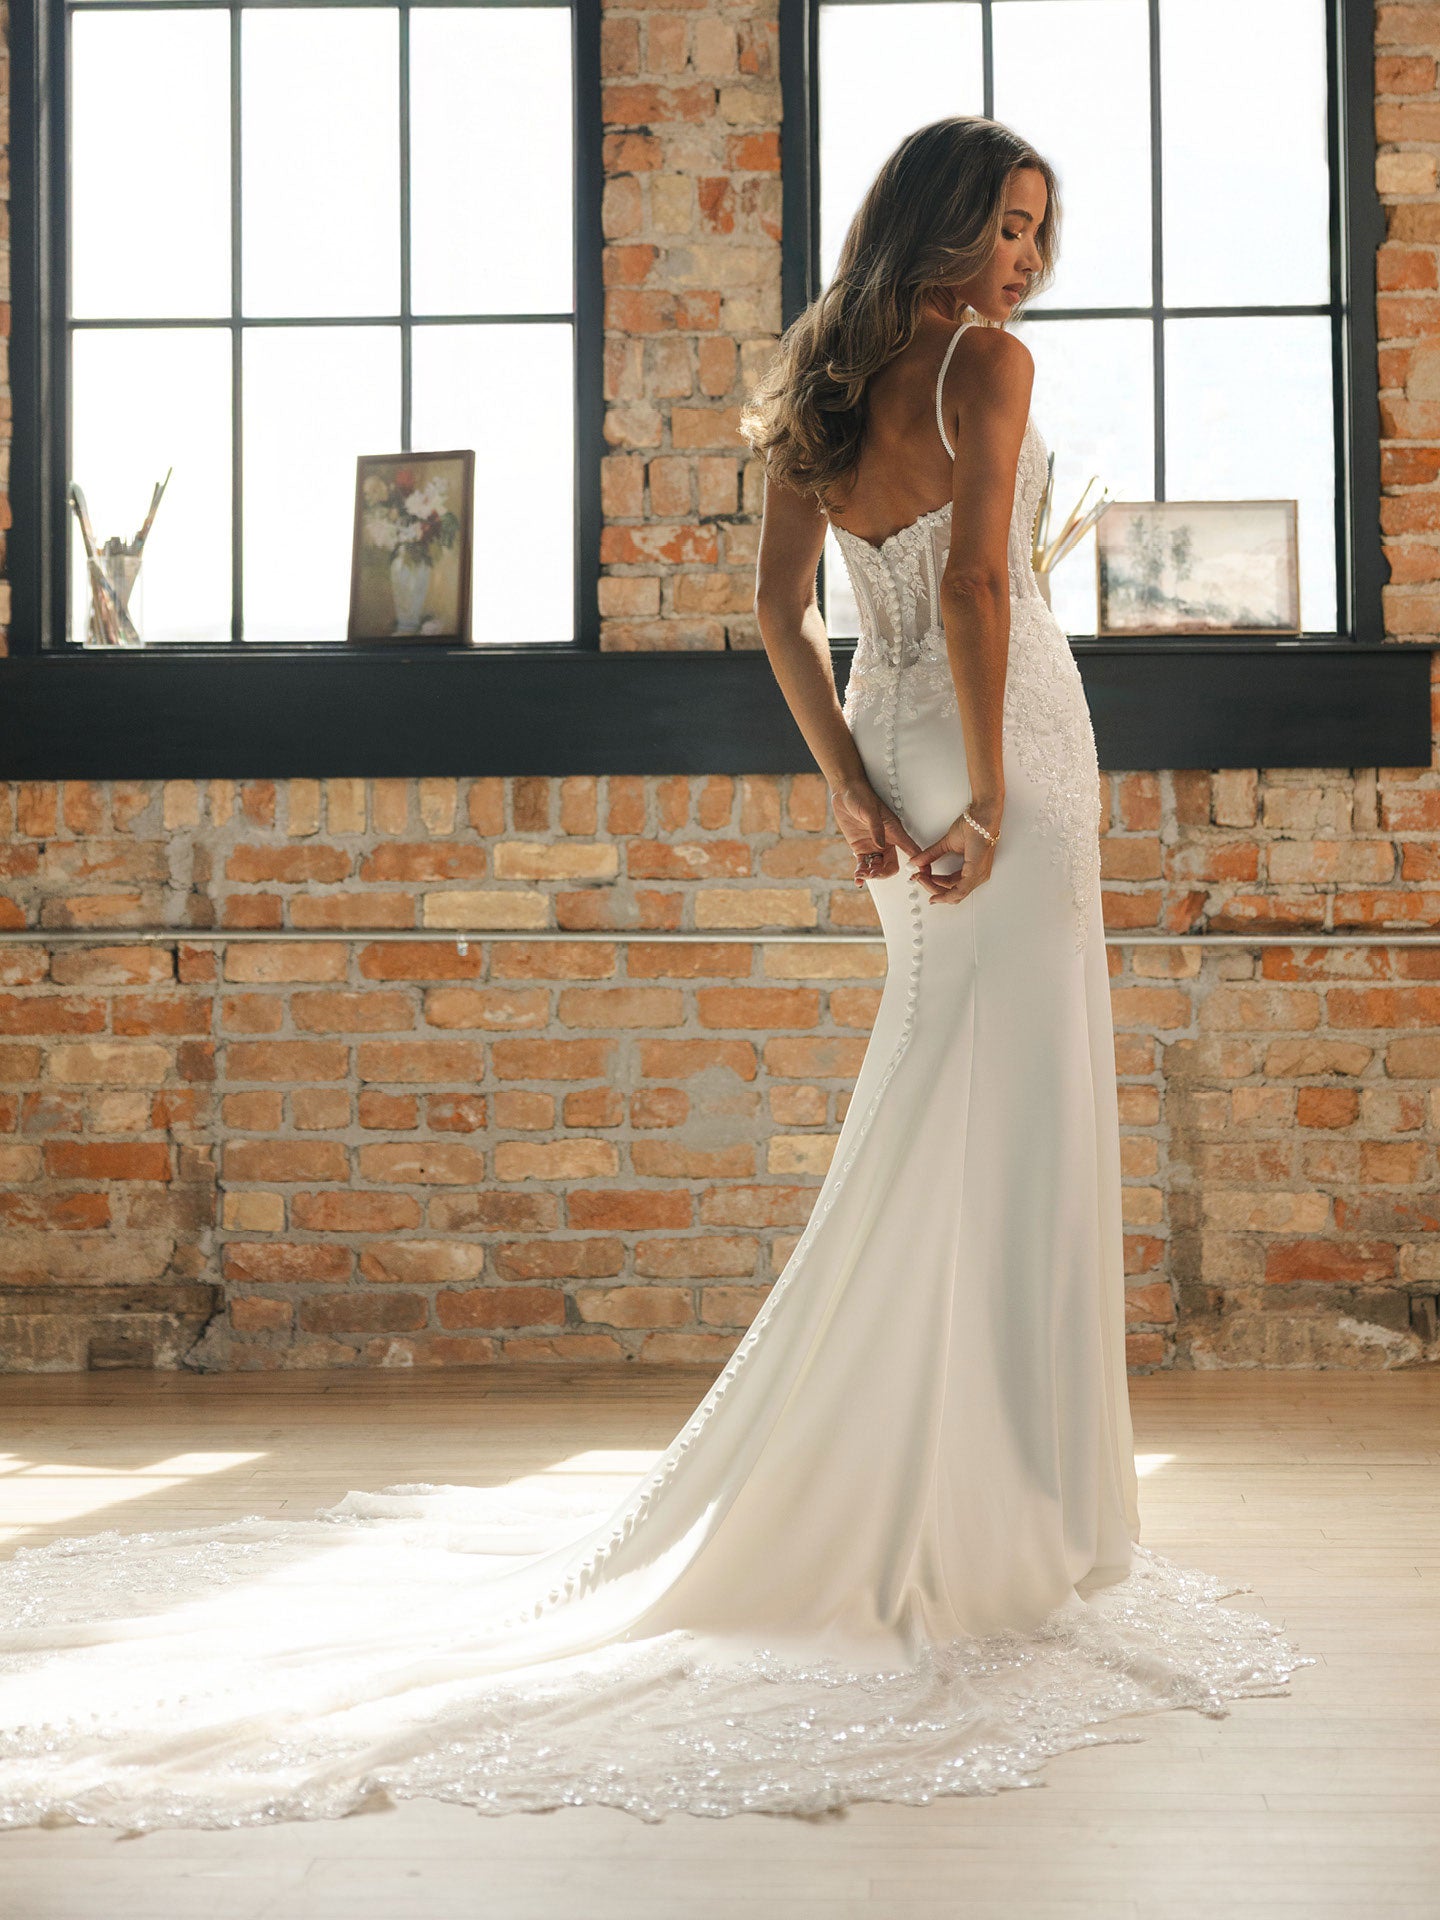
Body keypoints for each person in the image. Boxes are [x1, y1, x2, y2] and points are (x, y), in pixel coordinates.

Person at [0, 116, 1311, 1834]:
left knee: (940, 1100)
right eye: (1003, 224)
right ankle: (1008, 1500)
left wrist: (853, 781)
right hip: (1002, 756)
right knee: (1010, 1102)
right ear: (935, 223)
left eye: (1039, 232)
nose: (1023, 260)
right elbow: (983, 582)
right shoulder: (987, 367)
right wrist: (987, 795)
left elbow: (782, 609)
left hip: (897, 746)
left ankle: (954, 1475)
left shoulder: (825, 372)